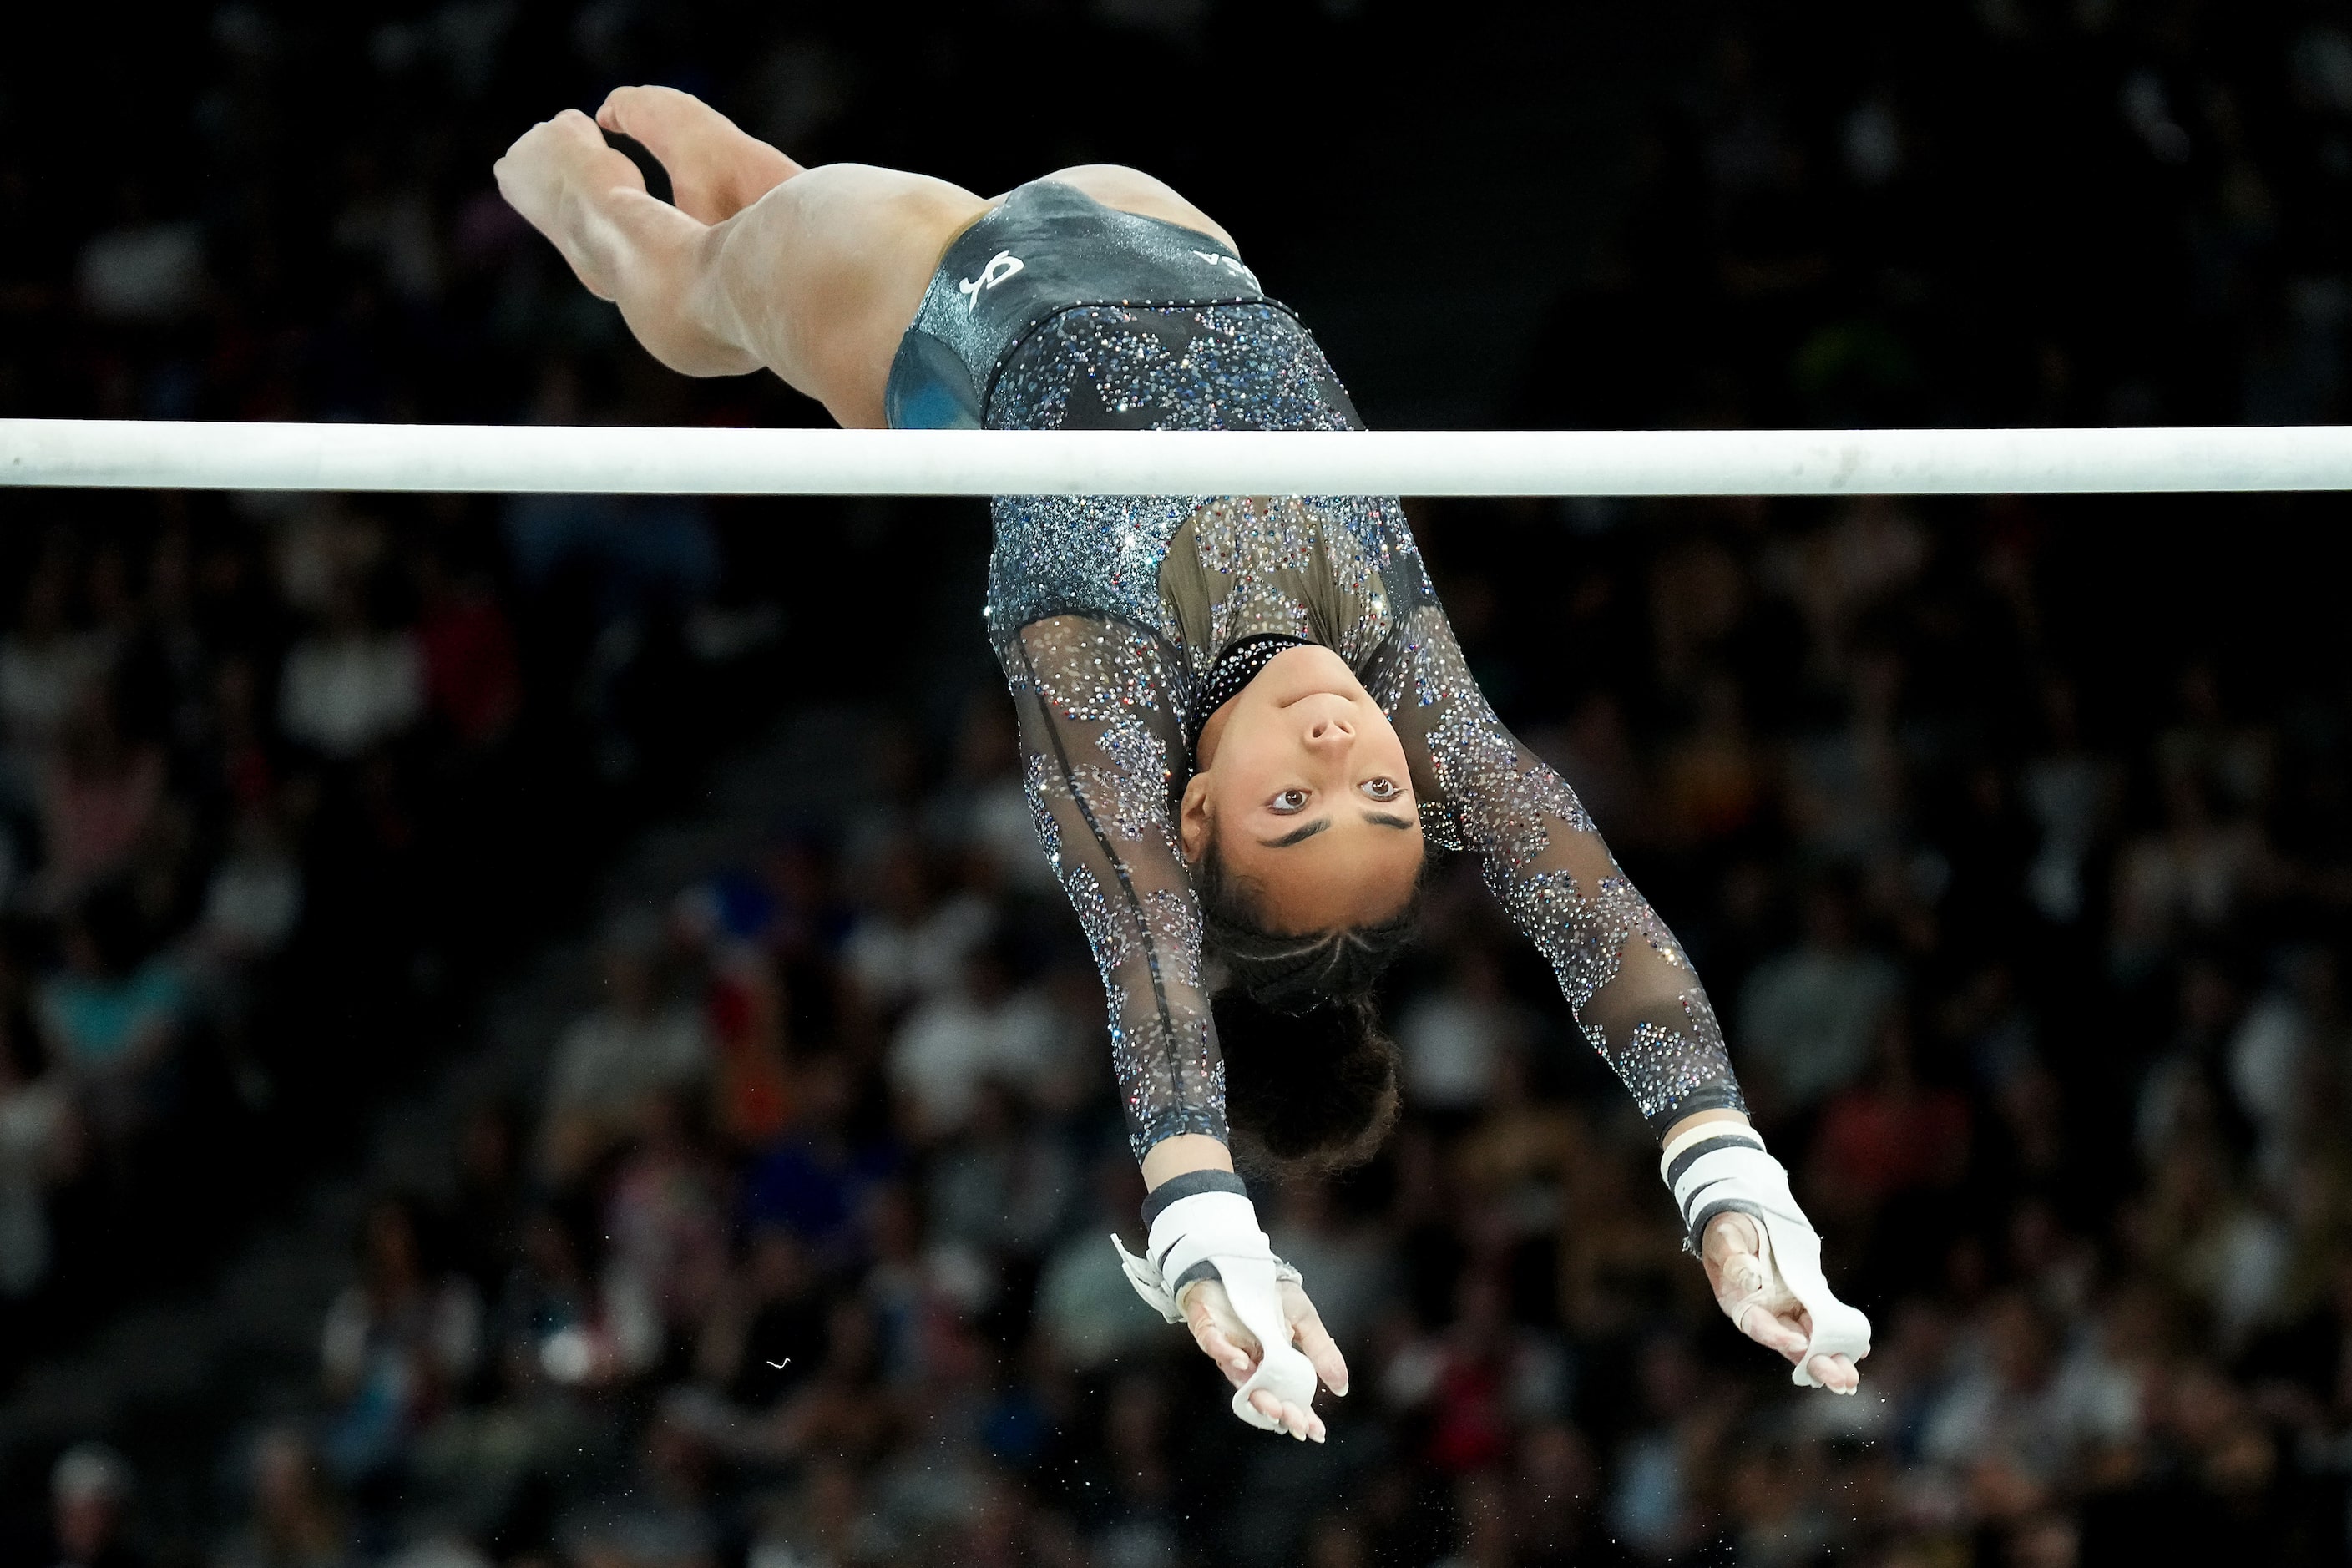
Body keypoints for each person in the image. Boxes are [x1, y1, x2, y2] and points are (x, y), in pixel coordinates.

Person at [496, 85, 1870, 1440]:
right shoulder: (1404, 681)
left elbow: (1147, 956)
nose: (1346, 747)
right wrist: (1728, 1171)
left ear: (1195, 813)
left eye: (1294, 804)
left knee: (689, 294)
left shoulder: (1098, 675)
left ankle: (580, 202)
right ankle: (740, 175)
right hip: (1166, 244)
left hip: (940, 294)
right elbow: (1586, 906)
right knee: (785, 250)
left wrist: (1207, 1229)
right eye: (1383, 793)